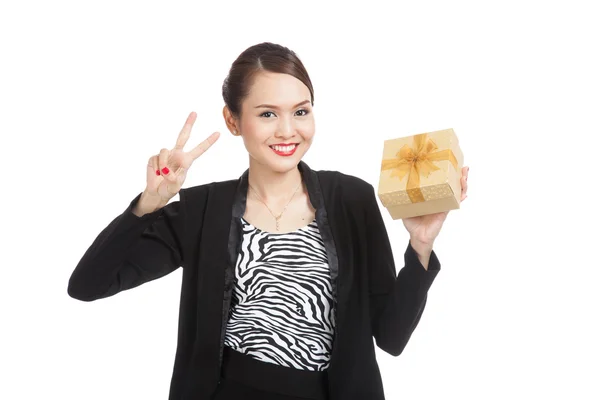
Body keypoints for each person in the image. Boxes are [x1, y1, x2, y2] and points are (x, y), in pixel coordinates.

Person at [67, 42, 469, 400]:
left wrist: (420, 245)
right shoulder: (202, 209)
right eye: (266, 114)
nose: (287, 130)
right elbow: (87, 285)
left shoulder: (352, 198)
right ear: (233, 121)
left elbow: (392, 337)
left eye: (301, 111)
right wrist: (149, 204)